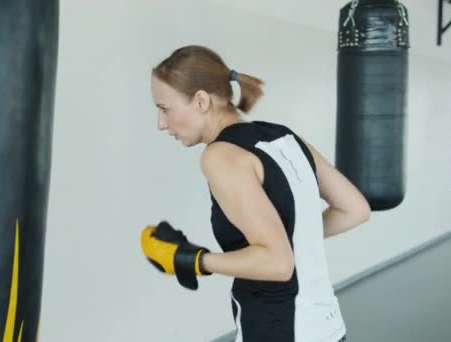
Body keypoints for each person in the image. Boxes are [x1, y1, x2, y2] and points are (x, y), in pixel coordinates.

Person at [141, 45, 370, 342]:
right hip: (328, 329)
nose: (161, 124)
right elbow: (355, 210)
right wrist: (295, 235)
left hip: (279, 330)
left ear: (200, 101)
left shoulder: (220, 156)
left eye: (164, 109)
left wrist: (194, 260)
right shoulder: (284, 137)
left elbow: (278, 264)